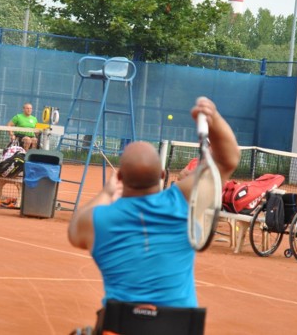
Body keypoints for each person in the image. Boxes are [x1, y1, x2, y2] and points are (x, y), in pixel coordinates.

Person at [67, 97, 240, 330]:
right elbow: (228, 160)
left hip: (119, 327)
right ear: (161, 174)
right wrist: (214, 118)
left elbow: (74, 230)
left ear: (119, 178)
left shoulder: (98, 220)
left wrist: (106, 194)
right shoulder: (181, 201)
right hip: (180, 328)